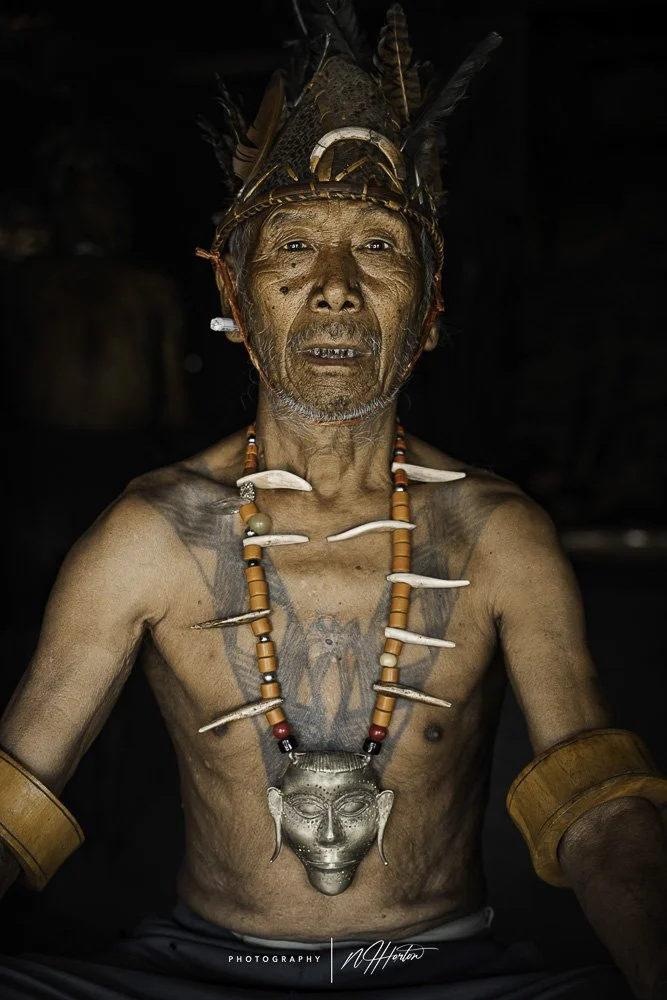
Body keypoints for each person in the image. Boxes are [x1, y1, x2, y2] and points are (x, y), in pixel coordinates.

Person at [1, 5, 666, 999]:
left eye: (381, 247)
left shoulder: (497, 536)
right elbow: (12, 797)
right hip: (197, 972)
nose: (337, 288)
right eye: (294, 246)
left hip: (445, 971)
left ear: (429, 312)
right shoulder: (150, 537)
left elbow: (600, 810)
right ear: (235, 294)